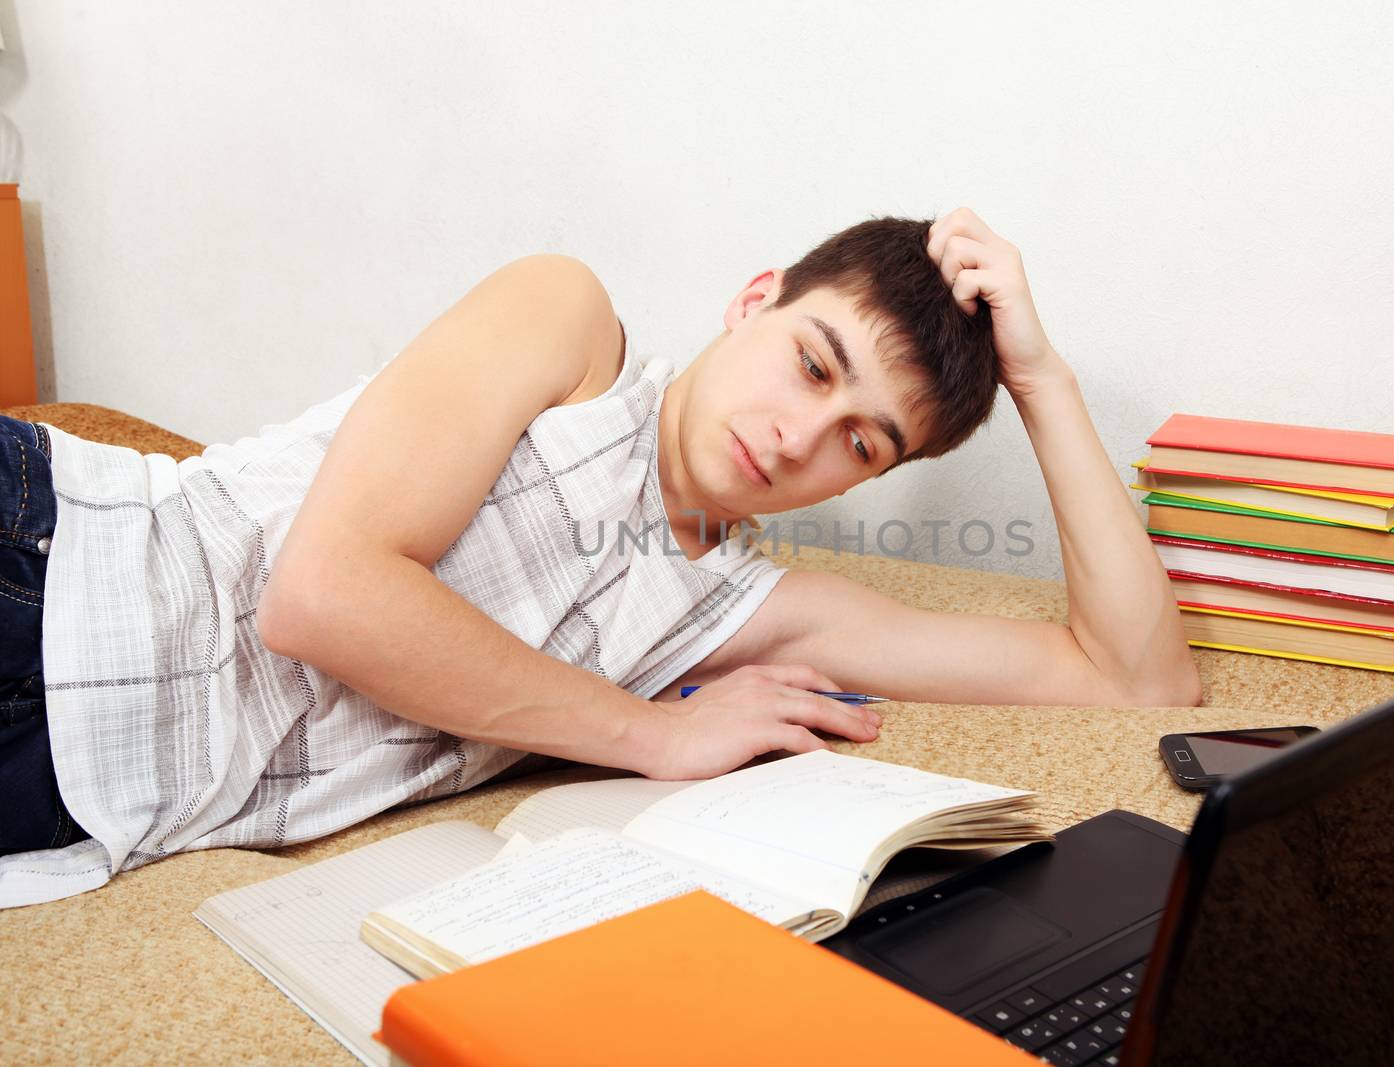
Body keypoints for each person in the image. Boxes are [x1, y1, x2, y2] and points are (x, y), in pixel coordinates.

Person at [0, 207, 1199, 907]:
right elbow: (323, 595)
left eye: (859, 440)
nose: (798, 436)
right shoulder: (567, 326)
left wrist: (1040, 377)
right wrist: (657, 733)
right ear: (754, 300)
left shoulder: (743, 609)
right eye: (813, 362)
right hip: (55, 561)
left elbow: (1135, 674)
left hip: (76, 784)